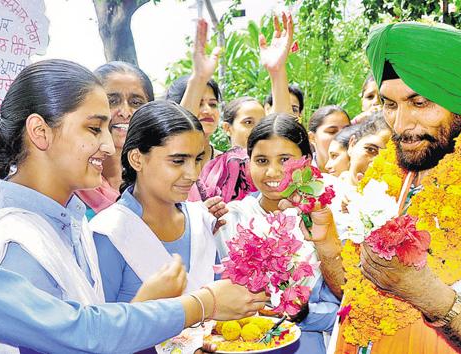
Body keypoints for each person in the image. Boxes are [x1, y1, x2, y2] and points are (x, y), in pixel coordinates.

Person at [0, 63, 267, 354]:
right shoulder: (10, 240)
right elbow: (79, 332)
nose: (110, 147)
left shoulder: (70, 217)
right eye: (94, 129)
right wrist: (200, 304)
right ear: (40, 132)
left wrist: (144, 307)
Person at [310, 22, 461, 354]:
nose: (401, 126)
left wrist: (426, 293)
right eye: (390, 104)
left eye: (419, 103)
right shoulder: (386, 176)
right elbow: (354, 291)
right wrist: (327, 244)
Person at [89, 100, 243, 353]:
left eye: (197, 160)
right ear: (137, 159)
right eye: (178, 161)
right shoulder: (108, 234)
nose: (193, 174)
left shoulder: (202, 220)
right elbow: (100, 337)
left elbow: (218, 319)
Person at [215, 114, 340, 353]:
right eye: (261, 160)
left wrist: (303, 313)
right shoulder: (230, 219)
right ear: (248, 162)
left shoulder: (323, 221)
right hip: (241, 342)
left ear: (307, 161)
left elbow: (345, 310)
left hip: (306, 344)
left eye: (284, 159)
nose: (272, 172)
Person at [186, 13, 295, 203]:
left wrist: (278, 73)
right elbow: (176, 138)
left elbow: (285, 136)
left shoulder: (251, 165)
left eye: (212, 103)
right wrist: (198, 79)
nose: (206, 110)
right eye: (248, 122)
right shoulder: (211, 168)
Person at [75, 61, 154, 219]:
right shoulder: (71, 183)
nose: (125, 112)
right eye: (112, 101)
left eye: (136, 103)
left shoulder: (162, 177)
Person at [340, 113, 390, 186]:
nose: (375, 164)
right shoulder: (323, 189)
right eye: (371, 150)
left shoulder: (402, 196)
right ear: (352, 144)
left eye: (388, 158)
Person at [307, 105, 350, 173]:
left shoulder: (359, 171)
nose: (341, 136)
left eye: (347, 130)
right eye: (332, 132)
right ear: (312, 137)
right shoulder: (301, 174)